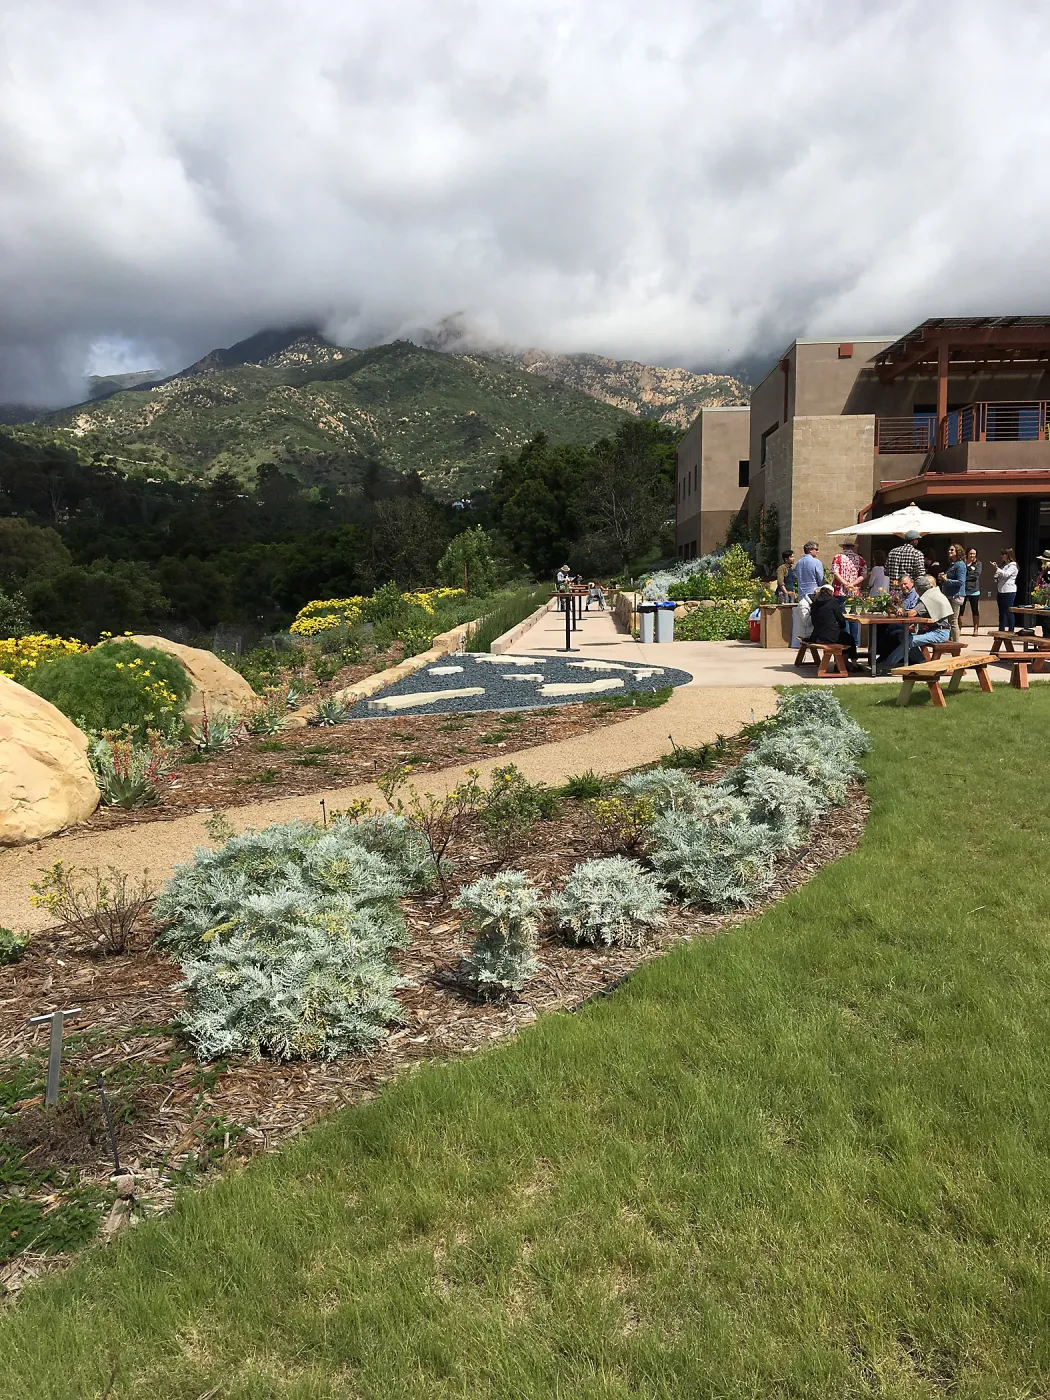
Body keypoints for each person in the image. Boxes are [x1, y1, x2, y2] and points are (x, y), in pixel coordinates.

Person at [879, 574, 954, 672]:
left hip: (939, 633)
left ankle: (887, 665)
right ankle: (919, 660)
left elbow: (911, 613)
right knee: (902, 635)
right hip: (932, 630)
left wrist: (899, 612)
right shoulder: (934, 594)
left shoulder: (928, 598)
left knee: (908, 641)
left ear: (918, 589)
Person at [809, 582, 860, 669]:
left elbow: (813, 622)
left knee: (844, 638)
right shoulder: (833, 602)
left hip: (817, 636)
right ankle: (851, 663)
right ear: (831, 592)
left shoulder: (814, 604)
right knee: (849, 639)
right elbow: (841, 620)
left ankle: (844, 663)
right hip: (830, 637)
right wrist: (841, 626)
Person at [831, 539, 866, 646]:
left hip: (840, 591)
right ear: (853, 547)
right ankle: (855, 642)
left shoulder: (837, 558)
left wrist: (845, 583)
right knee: (854, 617)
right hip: (854, 592)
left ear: (843, 547)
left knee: (843, 617)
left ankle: (846, 642)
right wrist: (853, 584)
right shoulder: (860, 559)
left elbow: (835, 572)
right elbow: (864, 575)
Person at [791, 540, 824, 646]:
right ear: (810, 550)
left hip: (802, 593)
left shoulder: (799, 563)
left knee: (803, 620)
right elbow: (820, 579)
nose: (817, 552)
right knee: (815, 619)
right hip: (814, 593)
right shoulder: (816, 562)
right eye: (816, 549)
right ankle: (814, 640)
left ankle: (803, 640)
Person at [942, 543, 966, 642]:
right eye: (949, 550)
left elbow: (961, 581)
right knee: (948, 621)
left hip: (956, 596)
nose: (949, 552)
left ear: (957, 552)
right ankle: (951, 641)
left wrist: (946, 580)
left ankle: (956, 644)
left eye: (952, 550)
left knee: (953, 621)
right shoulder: (953, 564)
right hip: (949, 594)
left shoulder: (960, 565)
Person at [994, 548, 1018, 633]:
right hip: (1001, 590)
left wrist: (997, 568)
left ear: (1008, 555)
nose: (1002, 556)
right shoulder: (1004, 565)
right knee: (1001, 611)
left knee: (1008, 610)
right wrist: (996, 574)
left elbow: (1006, 574)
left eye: (1003, 554)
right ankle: (1001, 629)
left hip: (1009, 591)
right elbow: (1000, 575)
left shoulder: (1013, 565)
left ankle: (1011, 629)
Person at [961, 548, 983, 636]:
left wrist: (964, 577)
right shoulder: (962, 563)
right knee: (961, 610)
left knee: (975, 610)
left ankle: (976, 629)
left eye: (974, 554)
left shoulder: (978, 564)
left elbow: (975, 576)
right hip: (963, 589)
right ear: (967, 554)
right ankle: (959, 629)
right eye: (970, 553)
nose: (972, 555)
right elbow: (960, 574)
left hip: (974, 590)